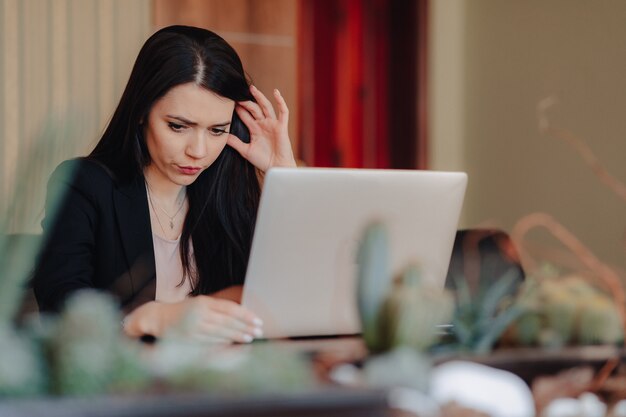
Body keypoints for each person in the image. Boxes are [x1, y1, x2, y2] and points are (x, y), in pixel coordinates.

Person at [32, 25, 296, 344]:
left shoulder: (228, 190)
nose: (198, 151)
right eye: (178, 126)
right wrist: (149, 318)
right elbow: (62, 315)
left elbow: (291, 297)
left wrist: (283, 178)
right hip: (126, 386)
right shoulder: (84, 185)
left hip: (223, 383)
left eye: (217, 130)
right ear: (142, 111)